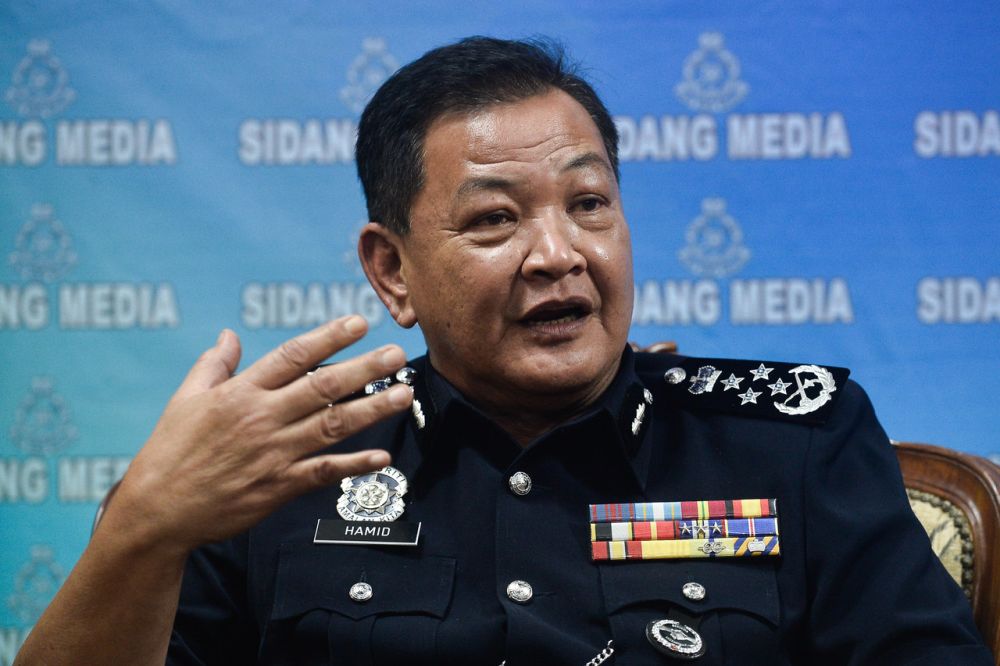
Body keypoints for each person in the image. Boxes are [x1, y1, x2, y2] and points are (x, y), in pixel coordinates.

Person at [16, 37, 992, 666]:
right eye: (494, 219)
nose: (558, 252)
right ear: (390, 270)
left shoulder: (789, 442)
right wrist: (141, 531)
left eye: (589, 204)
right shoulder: (284, 473)